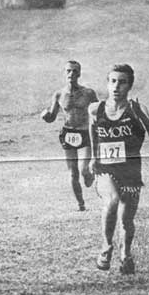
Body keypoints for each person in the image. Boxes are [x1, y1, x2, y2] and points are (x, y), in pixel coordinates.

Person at [89, 64, 149, 274]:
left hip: (130, 170)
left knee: (127, 219)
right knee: (111, 201)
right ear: (107, 83)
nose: (116, 87)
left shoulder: (138, 109)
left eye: (122, 82)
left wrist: (140, 115)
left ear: (129, 86)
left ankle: (125, 254)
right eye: (112, 81)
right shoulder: (96, 109)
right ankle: (106, 246)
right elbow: (92, 131)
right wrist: (93, 157)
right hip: (105, 168)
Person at [42, 61, 98, 211]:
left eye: (74, 71)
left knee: (84, 169)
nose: (71, 74)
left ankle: (89, 175)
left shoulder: (89, 93)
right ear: (65, 73)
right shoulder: (59, 95)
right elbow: (52, 117)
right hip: (68, 133)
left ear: (79, 74)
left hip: (84, 133)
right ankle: (81, 204)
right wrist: (45, 115)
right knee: (73, 172)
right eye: (68, 71)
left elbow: (97, 111)